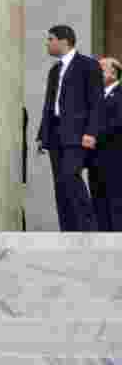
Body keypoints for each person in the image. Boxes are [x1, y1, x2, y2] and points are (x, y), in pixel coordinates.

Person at [36, 25, 102, 231]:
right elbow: (49, 104)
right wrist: (42, 135)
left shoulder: (88, 65)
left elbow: (96, 102)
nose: (47, 43)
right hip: (56, 134)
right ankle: (67, 228)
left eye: (50, 39)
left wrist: (91, 132)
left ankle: (88, 227)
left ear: (64, 41)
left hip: (77, 134)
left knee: (70, 176)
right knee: (60, 184)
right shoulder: (55, 70)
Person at [91, 57, 122, 232]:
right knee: (98, 198)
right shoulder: (96, 95)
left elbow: (117, 123)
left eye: (101, 69)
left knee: (115, 199)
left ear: (113, 72)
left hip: (115, 156)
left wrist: (94, 134)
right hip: (96, 158)